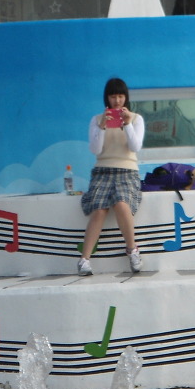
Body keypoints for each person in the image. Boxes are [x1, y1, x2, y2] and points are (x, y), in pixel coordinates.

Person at [78, 77, 145, 276]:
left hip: (127, 171)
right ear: (106, 98)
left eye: (121, 96)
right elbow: (95, 149)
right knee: (99, 209)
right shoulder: (97, 119)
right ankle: (84, 260)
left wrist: (127, 124)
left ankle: (133, 251)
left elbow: (135, 147)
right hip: (102, 171)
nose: (117, 101)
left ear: (126, 97)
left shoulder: (136, 118)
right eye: (113, 96)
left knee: (122, 204)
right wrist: (102, 127)